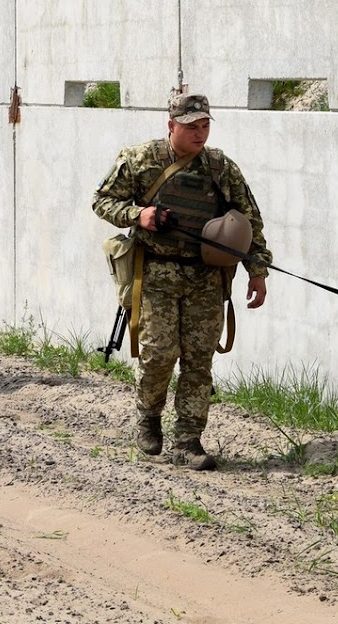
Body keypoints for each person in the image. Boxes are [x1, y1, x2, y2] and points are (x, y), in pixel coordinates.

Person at [92, 92, 270, 469]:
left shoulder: (221, 168)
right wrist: (139, 215)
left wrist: (258, 270)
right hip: (156, 272)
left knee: (198, 361)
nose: (199, 134)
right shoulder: (139, 160)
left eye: (205, 126)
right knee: (158, 356)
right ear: (171, 125)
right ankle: (149, 418)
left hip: (206, 278)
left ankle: (188, 442)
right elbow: (102, 201)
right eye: (191, 127)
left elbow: (250, 219)